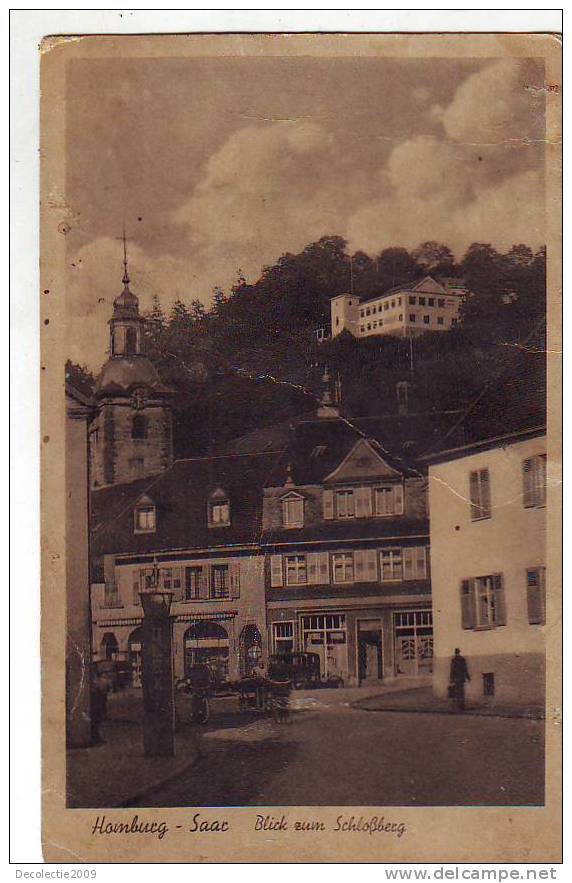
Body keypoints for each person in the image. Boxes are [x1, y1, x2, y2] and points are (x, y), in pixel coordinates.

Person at [90, 668, 109, 744]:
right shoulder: (99, 682)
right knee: (95, 718)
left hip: (97, 698)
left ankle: (95, 736)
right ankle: (95, 736)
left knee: (96, 718)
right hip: (96, 698)